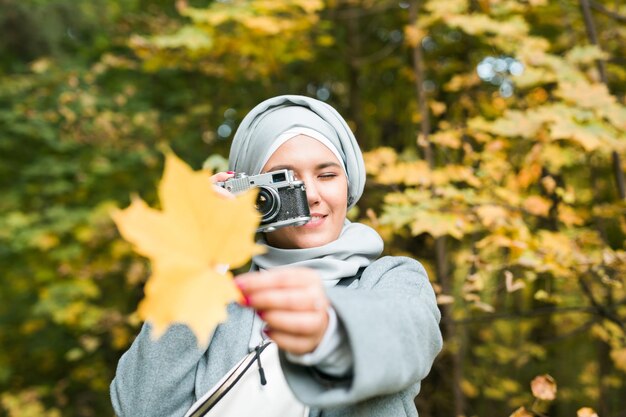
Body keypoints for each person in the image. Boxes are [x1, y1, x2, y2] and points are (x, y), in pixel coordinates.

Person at [110, 95, 442, 417]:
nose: (311, 195)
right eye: (285, 182)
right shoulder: (222, 301)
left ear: (348, 184)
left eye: (326, 175)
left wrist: (329, 330)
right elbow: (141, 406)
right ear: (250, 195)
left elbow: (410, 338)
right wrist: (205, 250)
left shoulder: (392, 277)